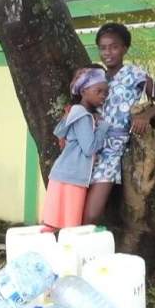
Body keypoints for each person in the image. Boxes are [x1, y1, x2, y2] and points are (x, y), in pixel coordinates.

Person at [83, 22, 155, 224]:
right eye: (103, 48)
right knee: (75, 203)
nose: (108, 52)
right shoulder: (97, 76)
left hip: (112, 151)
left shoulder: (135, 74)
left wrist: (146, 115)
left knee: (92, 214)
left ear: (124, 48)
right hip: (89, 145)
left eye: (114, 47)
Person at [41, 67, 111, 230]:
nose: (103, 96)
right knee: (70, 229)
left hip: (63, 176)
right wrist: (102, 127)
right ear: (84, 90)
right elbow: (89, 148)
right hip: (71, 178)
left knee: (53, 226)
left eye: (106, 92)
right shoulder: (83, 116)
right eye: (99, 91)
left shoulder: (77, 113)